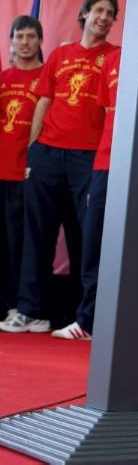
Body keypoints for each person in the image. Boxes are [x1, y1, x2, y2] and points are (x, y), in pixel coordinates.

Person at [0, 0, 118, 333]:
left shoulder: (115, 57)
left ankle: (85, 316)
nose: (103, 17)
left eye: (110, 13)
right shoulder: (60, 54)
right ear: (84, 14)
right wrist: (34, 147)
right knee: (37, 234)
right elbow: (43, 101)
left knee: (88, 234)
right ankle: (30, 311)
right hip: (47, 153)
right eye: (98, 10)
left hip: (89, 157)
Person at [51, 46, 138, 340]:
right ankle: (88, 319)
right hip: (105, 163)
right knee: (95, 241)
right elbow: (105, 113)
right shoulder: (112, 60)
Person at [0, 16, 44, 324]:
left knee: (20, 243)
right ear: (11, 42)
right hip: (1, 170)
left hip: (26, 172)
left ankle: (19, 305)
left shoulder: (47, 77)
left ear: (40, 40)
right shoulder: (3, 78)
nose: (25, 41)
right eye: (20, 36)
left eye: (31, 36)